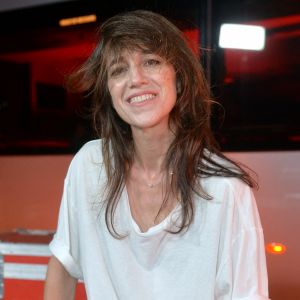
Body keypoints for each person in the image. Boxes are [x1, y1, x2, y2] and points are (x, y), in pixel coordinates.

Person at [44, 10, 269, 300]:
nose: (135, 79)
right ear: (110, 92)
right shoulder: (90, 164)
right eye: (118, 70)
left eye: (150, 62)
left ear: (178, 79)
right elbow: (64, 263)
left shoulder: (225, 189)